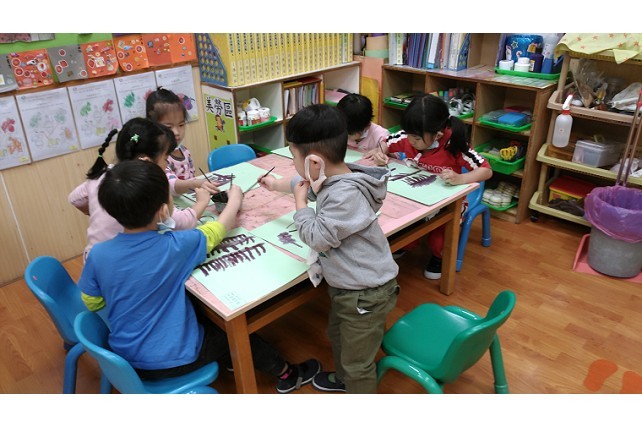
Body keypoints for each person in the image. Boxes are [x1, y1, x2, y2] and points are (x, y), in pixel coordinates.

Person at [78, 159, 321, 393]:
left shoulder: (97, 253)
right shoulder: (173, 247)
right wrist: (234, 201)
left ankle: (231, 361)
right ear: (163, 211)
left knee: (198, 311)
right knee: (235, 336)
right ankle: (288, 373)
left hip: (124, 356)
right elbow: (218, 229)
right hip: (173, 360)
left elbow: (93, 302)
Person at [260, 104, 399, 394]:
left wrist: (300, 204)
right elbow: (300, 182)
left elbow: (316, 236)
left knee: (358, 364)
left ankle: (355, 384)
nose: (293, 163)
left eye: (293, 156)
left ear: (313, 162)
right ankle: (345, 379)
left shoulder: (343, 194)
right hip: (351, 287)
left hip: (366, 292)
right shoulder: (334, 175)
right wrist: (274, 184)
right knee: (338, 334)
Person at [367, 94, 493, 280]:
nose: (410, 141)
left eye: (416, 138)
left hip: (449, 202)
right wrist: (380, 153)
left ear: (438, 135)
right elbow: (386, 143)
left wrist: (461, 178)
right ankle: (408, 244)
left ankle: (439, 256)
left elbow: (486, 170)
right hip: (416, 197)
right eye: (408, 134)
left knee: (438, 242)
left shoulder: (454, 144)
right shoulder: (410, 135)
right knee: (403, 230)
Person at [68, 118, 212, 260]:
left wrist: (100, 209)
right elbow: (182, 223)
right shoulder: (145, 190)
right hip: (126, 262)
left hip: (93, 258)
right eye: (165, 158)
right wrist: (202, 202)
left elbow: (75, 199)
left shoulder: (104, 175)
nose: (167, 164)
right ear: (146, 161)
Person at [146, 87, 217, 196]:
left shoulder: (184, 151)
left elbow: (191, 177)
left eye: (181, 125)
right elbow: (171, 185)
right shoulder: (158, 158)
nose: (176, 132)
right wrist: (195, 183)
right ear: (152, 126)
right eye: (169, 127)